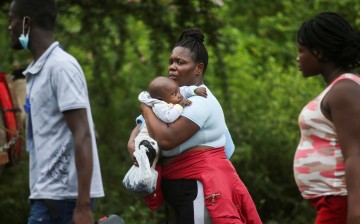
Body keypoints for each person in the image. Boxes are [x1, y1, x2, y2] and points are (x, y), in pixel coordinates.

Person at [128, 28, 261, 224]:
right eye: (171, 61)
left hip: (199, 187)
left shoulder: (200, 101)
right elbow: (136, 137)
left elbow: (166, 139)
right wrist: (134, 145)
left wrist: (146, 107)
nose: (172, 67)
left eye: (180, 62)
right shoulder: (169, 100)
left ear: (198, 68)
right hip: (179, 189)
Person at [8, 0, 104, 223]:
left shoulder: (61, 67)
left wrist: (82, 206)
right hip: (47, 194)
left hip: (65, 199)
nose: (9, 26)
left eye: (11, 18)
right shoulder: (38, 71)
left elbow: (83, 134)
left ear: (26, 22)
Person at [294, 12, 360, 224]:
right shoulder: (340, 88)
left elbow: (355, 154)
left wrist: (356, 214)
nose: (298, 58)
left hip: (341, 203)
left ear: (318, 51)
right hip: (333, 202)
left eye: (301, 51)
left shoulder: (344, 90)